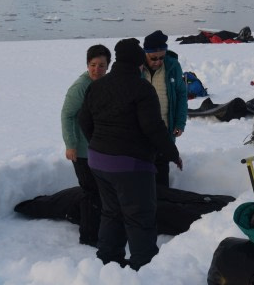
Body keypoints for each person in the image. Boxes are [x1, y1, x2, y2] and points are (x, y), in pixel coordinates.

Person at [79, 38, 182, 270]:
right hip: (131, 166)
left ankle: (108, 262)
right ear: (139, 64)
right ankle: (143, 268)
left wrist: (98, 143)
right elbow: (153, 128)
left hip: (98, 161)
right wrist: (172, 153)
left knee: (111, 213)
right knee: (140, 217)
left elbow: (83, 119)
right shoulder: (142, 88)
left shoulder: (97, 86)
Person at [60, 44, 111, 246]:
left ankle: (83, 219)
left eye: (101, 65)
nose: (96, 70)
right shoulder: (80, 87)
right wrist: (70, 144)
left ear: (108, 66)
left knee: (97, 190)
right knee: (91, 191)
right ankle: (89, 236)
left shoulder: (105, 83)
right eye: (92, 65)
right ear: (87, 65)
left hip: (98, 147)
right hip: (81, 150)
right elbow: (67, 115)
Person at [141, 30, 187, 187]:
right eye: (153, 58)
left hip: (165, 129)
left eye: (162, 57)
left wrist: (180, 123)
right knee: (143, 171)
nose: (157, 61)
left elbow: (181, 94)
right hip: (141, 131)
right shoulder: (136, 67)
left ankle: (163, 203)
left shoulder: (173, 66)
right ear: (145, 54)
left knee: (161, 169)